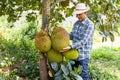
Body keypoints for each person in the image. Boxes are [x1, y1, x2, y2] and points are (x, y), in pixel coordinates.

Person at [60, 3, 94, 80]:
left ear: (85, 13)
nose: (78, 16)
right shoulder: (76, 23)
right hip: (74, 54)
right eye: (77, 15)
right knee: (73, 74)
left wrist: (71, 46)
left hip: (83, 55)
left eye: (80, 14)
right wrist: (62, 35)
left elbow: (84, 40)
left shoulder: (90, 25)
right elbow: (72, 35)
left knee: (83, 75)